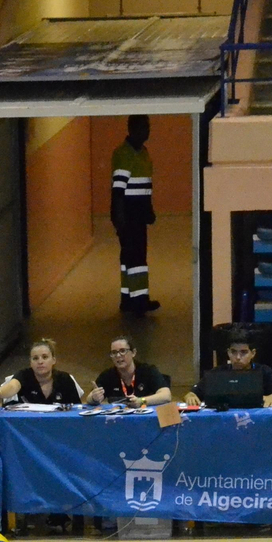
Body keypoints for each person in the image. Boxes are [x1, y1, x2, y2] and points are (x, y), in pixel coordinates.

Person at [112, 114, 159, 313]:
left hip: (138, 215)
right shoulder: (124, 154)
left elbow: (145, 186)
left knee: (130, 257)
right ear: (132, 129)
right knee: (136, 258)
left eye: (147, 127)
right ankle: (138, 301)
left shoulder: (143, 153)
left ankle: (128, 298)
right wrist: (120, 218)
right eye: (143, 127)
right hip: (128, 215)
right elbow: (118, 191)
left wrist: (149, 210)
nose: (147, 131)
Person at [186, 328, 272, 408]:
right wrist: (190, 396)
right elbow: (191, 393)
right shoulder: (217, 373)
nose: (238, 357)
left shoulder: (264, 371)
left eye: (243, 352)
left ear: (253, 353)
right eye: (233, 352)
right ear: (228, 352)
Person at [0, 338, 86, 405]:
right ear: (30, 362)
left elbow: (77, 410)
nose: (40, 362)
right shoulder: (23, 375)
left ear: (53, 360)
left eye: (45, 357)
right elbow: (13, 386)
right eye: (35, 358)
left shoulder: (65, 379)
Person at [86, 335, 172, 407]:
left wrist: (141, 401)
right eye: (114, 352)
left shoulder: (148, 370)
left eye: (122, 351)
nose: (118, 356)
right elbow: (89, 398)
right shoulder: (108, 375)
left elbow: (166, 395)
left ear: (133, 353)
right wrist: (94, 397)